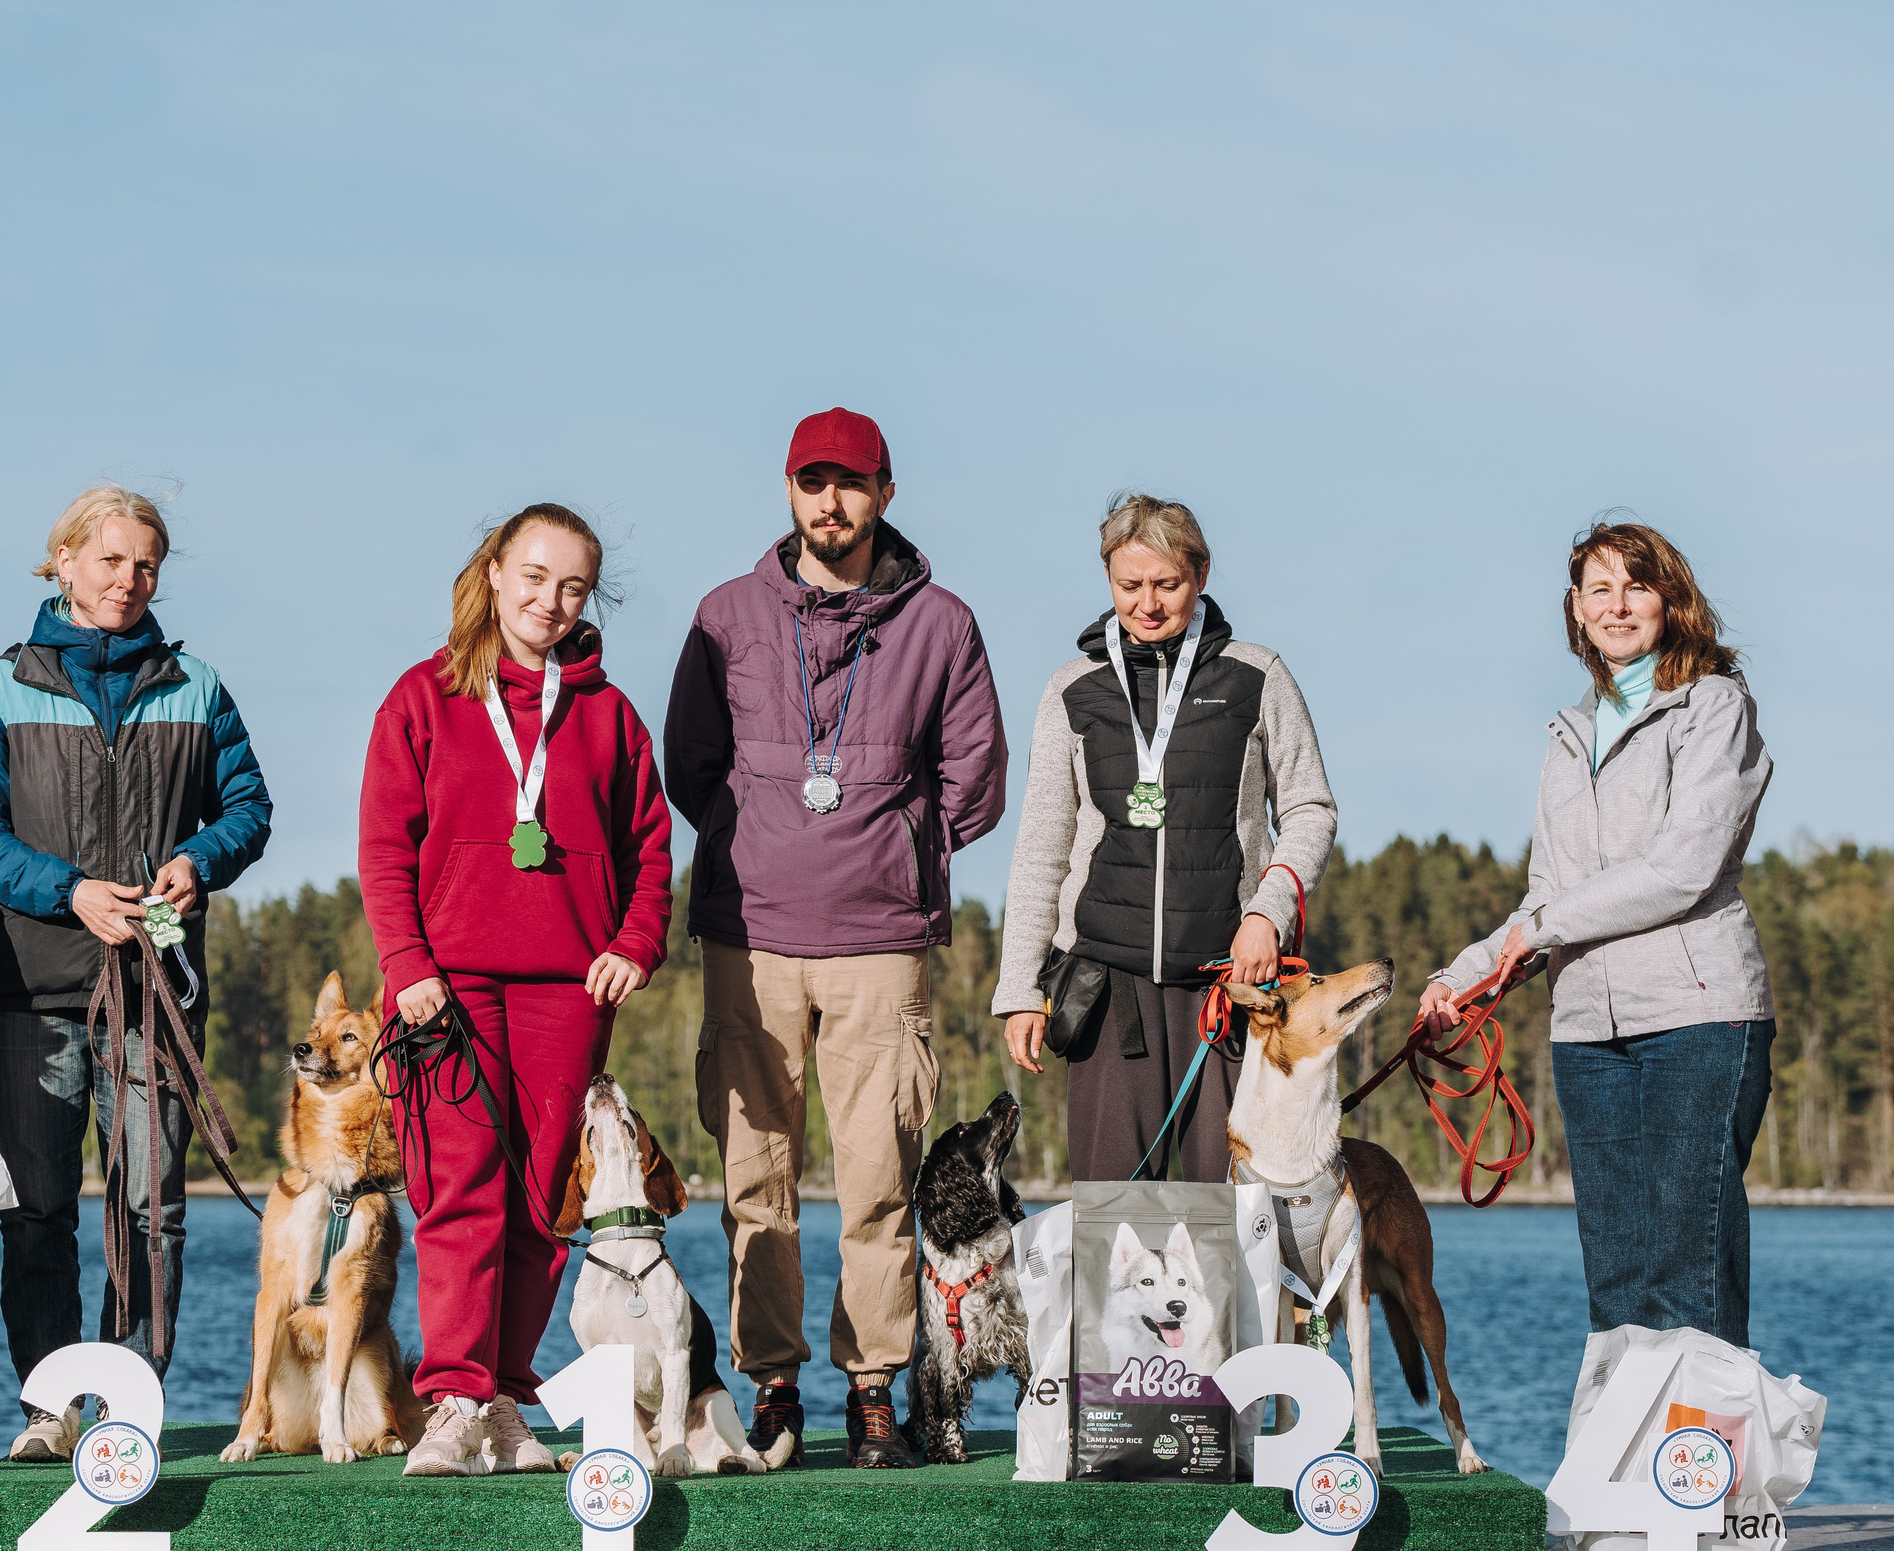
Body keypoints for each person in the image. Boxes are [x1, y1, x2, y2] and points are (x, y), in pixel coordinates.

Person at [664, 408, 1007, 1470]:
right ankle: (772, 1384)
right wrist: (748, 835)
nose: (831, 502)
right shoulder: (724, 615)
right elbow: (688, 763)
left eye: (850, 483)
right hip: (750, 937)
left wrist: (890, 847)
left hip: (878, 942)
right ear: (787, 491)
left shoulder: (941, 623)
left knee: (876, 1181)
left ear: (885, 493)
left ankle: (870, 1388)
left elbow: (976, 779)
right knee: (754, 1182)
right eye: (812, 482)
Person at [0, 486, 273, 1461]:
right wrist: (68, 891)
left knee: (152, 1212)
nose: (129, 579)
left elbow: (248, 806)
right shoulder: (0, 687)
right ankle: (50, 1409)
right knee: (37, 1214)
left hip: (155, 995)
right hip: (31, 990)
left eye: (145, 565)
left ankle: (127, 1394)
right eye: (111, 560)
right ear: (64, 563)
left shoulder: (199, 687)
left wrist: (199, 859)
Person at [358, 502, 672, 1476]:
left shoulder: (609, 716)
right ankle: (451, 1399)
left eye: (571, 585)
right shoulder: (421, 697)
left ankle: (503, 1396)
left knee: (541, 1206)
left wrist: (635, 941)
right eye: (533, 577)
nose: (549, 600)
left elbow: (650, 849)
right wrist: (407, 967)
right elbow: (383, 849)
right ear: (494, 573)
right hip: (445, 994)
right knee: (462, 1195)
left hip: (567, 993)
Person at [1421, 521, 1774, 1345]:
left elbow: (1683, 869)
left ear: (1670, 601)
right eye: (1599, 589)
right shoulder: (1567, 733)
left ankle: (1697, 1470)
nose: (1618, 605)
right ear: (1576, 611)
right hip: (1587, 1030)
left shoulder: (1715, 707)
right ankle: (1617, 1470)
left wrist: (1545, 925)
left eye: (1636, 586)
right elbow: (1545, 894)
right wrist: (1459, 979)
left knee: (1689, 1271)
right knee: (1615, 1279)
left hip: (1697, 1020)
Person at [992, 494, 1336, 1182]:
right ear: (1109, 581)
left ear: (1200, 574)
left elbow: (1309, 810)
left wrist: (1269, 913)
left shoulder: (1257, 676)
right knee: (1115, 1226)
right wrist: (1021, 990)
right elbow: (1041, 849)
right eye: (1129, 585)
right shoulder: (1074, 690)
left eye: (1167, 584)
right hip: (1106, 988)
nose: (1148, 603)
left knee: (1233, 1215)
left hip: (1229, 989)